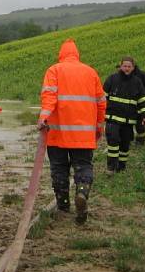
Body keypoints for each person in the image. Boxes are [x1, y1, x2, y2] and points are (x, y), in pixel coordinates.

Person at [37, 38, 106, 224]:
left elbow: (49, 96)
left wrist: (43, 117)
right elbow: (101, 103)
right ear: (77, 54)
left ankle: (64, 205)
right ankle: (82, 193)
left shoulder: (54, 70)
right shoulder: (91, 72)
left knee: (59, 168)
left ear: (61, 54)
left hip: (57, 133)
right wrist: (99, 127)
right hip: (83, 134)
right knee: (83, 166)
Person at [103, 57, 145, 172]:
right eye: (125, 66)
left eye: (129, 66)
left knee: (125, 144)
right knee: (113, 142)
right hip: (112, 119)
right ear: (121, 66)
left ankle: (121, 167)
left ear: (133, 68)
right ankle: (111, 166)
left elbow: (143, 99)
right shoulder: (112, 79)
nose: (127, 68)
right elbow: (102, 97)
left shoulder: (137, 82)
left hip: (128, 121)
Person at [131, 62, 145, 144]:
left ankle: (140, 141)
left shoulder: (141, 75)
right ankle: (130, 140)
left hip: (142, 104)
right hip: (133, 105)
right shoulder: (128, 75)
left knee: (140, 124)